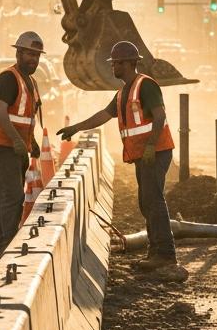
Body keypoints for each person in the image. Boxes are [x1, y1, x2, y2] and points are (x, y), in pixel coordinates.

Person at [57, 40, 184, 276]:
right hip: (143, 155)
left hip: (155, 152)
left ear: (128, 63)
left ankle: (165, 255)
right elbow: (104, 115)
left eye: (116, 63)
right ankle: (155, 252)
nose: (113, 67)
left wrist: (151, 145)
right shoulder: (123, 93)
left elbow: (159, 116)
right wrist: (76, 127)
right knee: (146, 201)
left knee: (153, 200)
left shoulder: (145, 86)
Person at [0, 31, 44, 263]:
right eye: (29, 54)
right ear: (18, 53)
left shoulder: (31, 82)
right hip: (2, 148)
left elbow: (27, 117)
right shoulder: (8, 78)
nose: (33, 59)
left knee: (6, 196)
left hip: (17, 149)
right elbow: (0, 111)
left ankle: (0, 247)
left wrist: (31, 141)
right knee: (13, 197)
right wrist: (16, 139)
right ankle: (4, 247)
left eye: (37, 55)